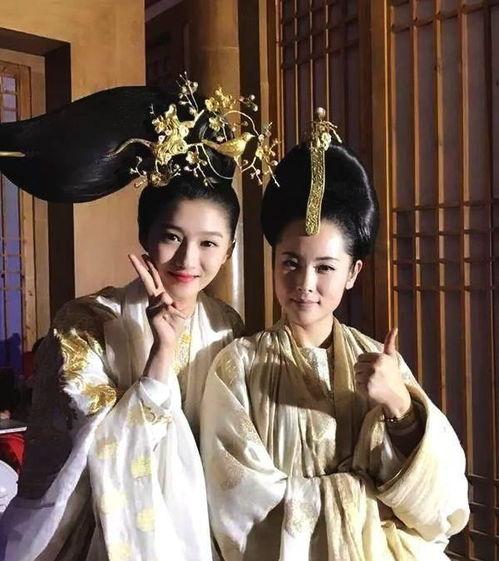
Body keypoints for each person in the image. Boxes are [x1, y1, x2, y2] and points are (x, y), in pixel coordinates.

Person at [0, 77, 276, 561]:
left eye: (209, 243)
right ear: (145, 235)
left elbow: (231, 451)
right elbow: (89, 452)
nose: (188, 260)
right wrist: (159, 361)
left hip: (202, 529)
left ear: (230, 249)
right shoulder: (85, 321)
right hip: (101, 533)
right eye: (172, 237)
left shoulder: (227, 328)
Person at [201, 111, 469, 560]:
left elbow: (440, 508)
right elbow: (235, 506)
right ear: (273, 261)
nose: (305, 283)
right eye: (290, 262)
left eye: (325, 267)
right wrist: (358, 497)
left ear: (353, 273)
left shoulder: (379, 362)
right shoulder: (237, 366)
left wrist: (400, 407)